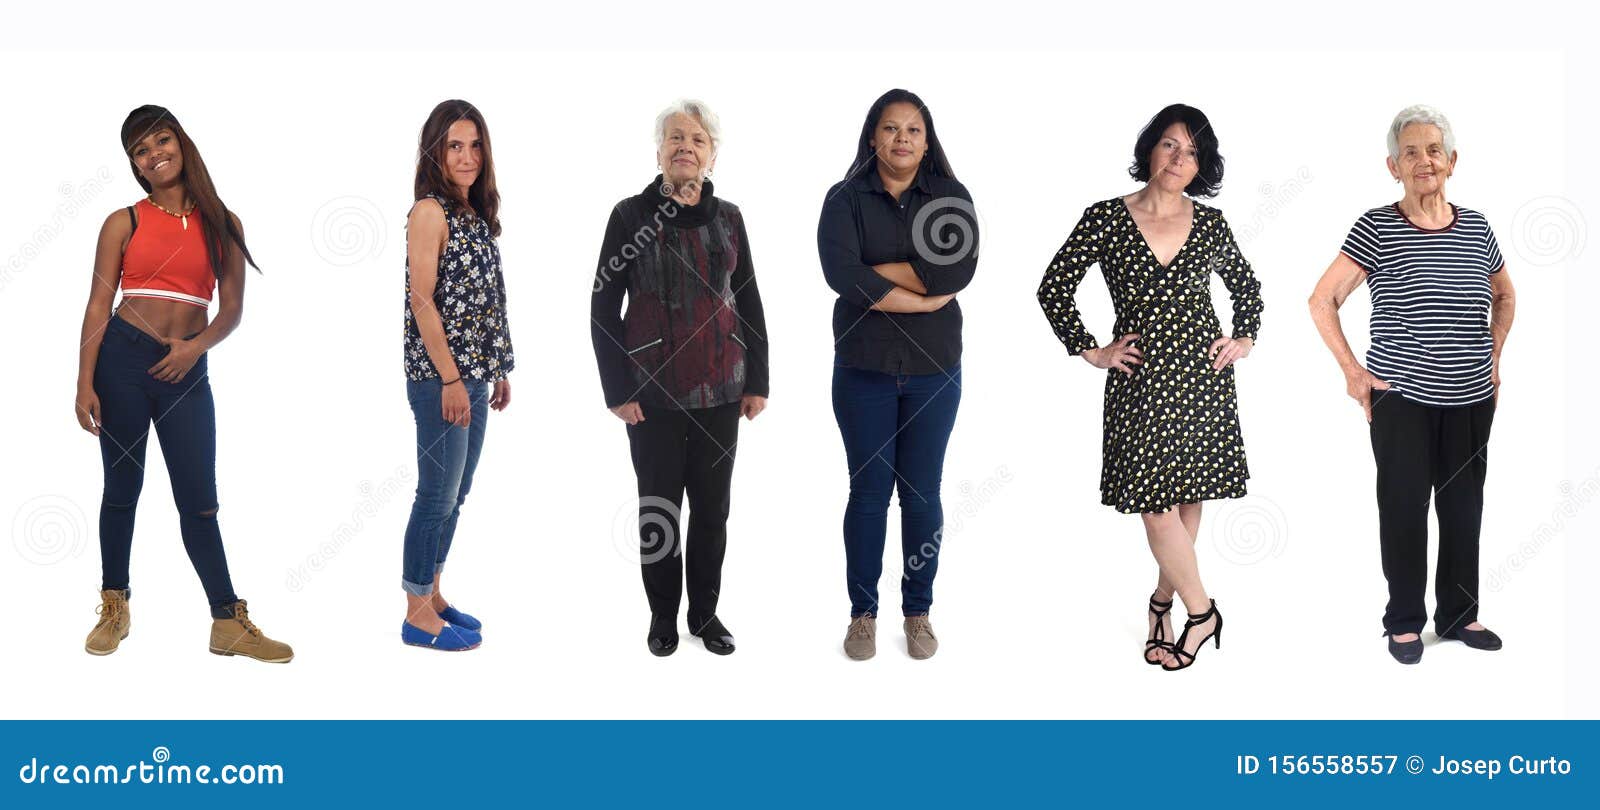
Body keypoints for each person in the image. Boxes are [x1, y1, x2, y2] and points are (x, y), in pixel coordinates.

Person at [1036, 103, 1262, 671]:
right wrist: (1091, 349)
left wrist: (1244, 339)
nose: (1178, 158)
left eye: (1191, 151)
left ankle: (1162, 603)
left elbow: (1248, 289)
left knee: (1187, 501)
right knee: (1155, 508)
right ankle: (1203, 612)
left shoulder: (1211, 224)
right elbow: (1053, 287)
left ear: (1200, 164)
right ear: (1150, 150)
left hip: (1203, 381)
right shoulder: (1106, 217)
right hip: (1140, 379)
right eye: (1169, 144)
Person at [75, 105, 292, 663]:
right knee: (121, 491)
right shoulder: (123, 221)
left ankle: (227, 622)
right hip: (120, 363)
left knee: (199, 501)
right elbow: (100, 304)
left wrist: (196, 348)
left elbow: (233, 310)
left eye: (161, 141)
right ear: (136, 167)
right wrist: (83, 381)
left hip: (186, 371)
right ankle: (114, 607)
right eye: (140, 152)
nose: (154, 155)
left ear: (181, 142)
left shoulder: (224, 222)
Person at [1308, 104, 1515, 665]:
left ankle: (1458, 615)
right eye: (1410, 152)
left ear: (1451, 160)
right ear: (1392, 166)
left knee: (1464, 509)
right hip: (1401, 397)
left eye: (1432, 150)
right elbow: (1322, 299)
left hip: (1472, 396)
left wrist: (1492, 356)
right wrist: (1355, 373)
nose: (1423, 160)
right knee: (1402, 507)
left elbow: (1505, 294)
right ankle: (1403, 621)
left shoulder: (1477, 226)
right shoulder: (1376, 226)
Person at [590, 99, 769, 656]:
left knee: (712, 509)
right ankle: (662, 617)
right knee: (659, 511)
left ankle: (706, 615)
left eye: (696, 139)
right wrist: (618, 391)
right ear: (660, 151)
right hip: (652, 397)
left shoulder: (731, 218)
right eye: (675, 138)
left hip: (721, 391)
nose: (684, 147)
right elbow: (602, 307)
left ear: (712, 154)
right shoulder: (629, 216)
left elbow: (750, 301)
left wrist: (757, 380)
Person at [818, 89, 978, 661]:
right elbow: (842, 274)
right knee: (868, 493)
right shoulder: (844, 199)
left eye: (912, 129)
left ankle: (918, 611)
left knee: (921, 493)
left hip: (935, 370)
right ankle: (863, 613)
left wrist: (879, 277)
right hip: (862, 368)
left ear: (927, 140)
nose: (901, 138)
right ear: (872, 137)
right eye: (890, 129)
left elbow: (959, 269)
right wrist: (924, 291)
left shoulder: (951, 197)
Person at [399, 99, 514, 652]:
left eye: (474, 145)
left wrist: (497, 371)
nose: (467, 156)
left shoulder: (474, 213)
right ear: (435, 152)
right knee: (435, 496)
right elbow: (423, 302)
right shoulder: (429, 212)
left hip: (472, 376)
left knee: (457, 493)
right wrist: (449, 379)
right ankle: (416, 613)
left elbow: (485, 303)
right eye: (454, 146)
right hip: (439, 378)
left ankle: (434, 593)